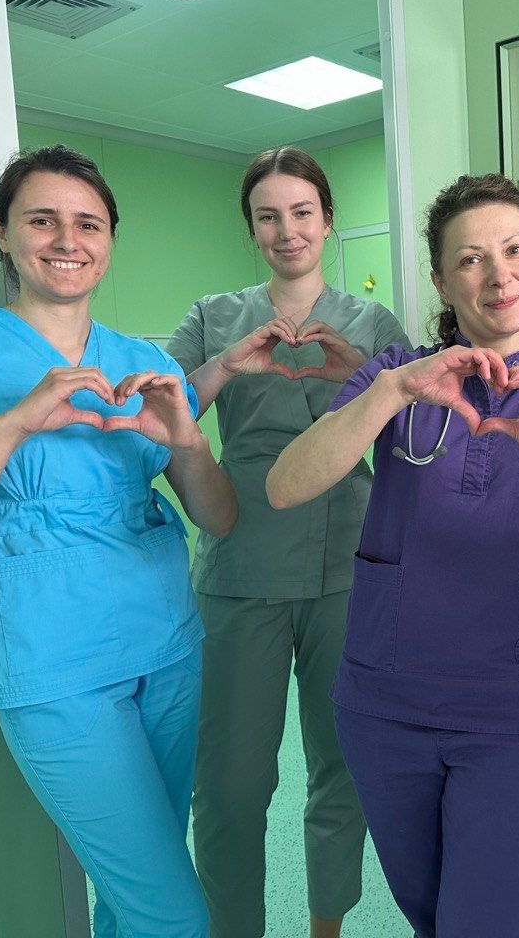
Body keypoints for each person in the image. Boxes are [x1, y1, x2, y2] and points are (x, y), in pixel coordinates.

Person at [0, 145, 237, 938]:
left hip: (168, 646)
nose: (68, 239)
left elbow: (220, 517)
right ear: (3, 232)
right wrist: (9, 426)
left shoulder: (143, 361)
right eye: (42, 220)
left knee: (137, 897)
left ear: (109, 240)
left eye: (88, 224)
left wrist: (188, 443)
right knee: (174, 916)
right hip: (55, 667)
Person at [267, 173, 519, 938]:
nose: (499, 275)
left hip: (513, 716)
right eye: (471, 259)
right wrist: (392, 391)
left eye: (514, 250)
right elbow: (285, 486)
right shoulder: (396, 380)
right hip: (384, 707)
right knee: (432, 920)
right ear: (440, 280)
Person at [165, 147, 410, 938]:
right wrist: (228, 365)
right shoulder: (212, 316)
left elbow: (417, 437)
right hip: (242, 566)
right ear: (251, 229)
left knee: (343, 769)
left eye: (302, 212)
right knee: (231, 784)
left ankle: (325, 929)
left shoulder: (373, 323)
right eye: (267, 216)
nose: (287, 230)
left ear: (328, 221)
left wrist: (361, 372)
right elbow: (161, 415)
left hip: (349, 566)